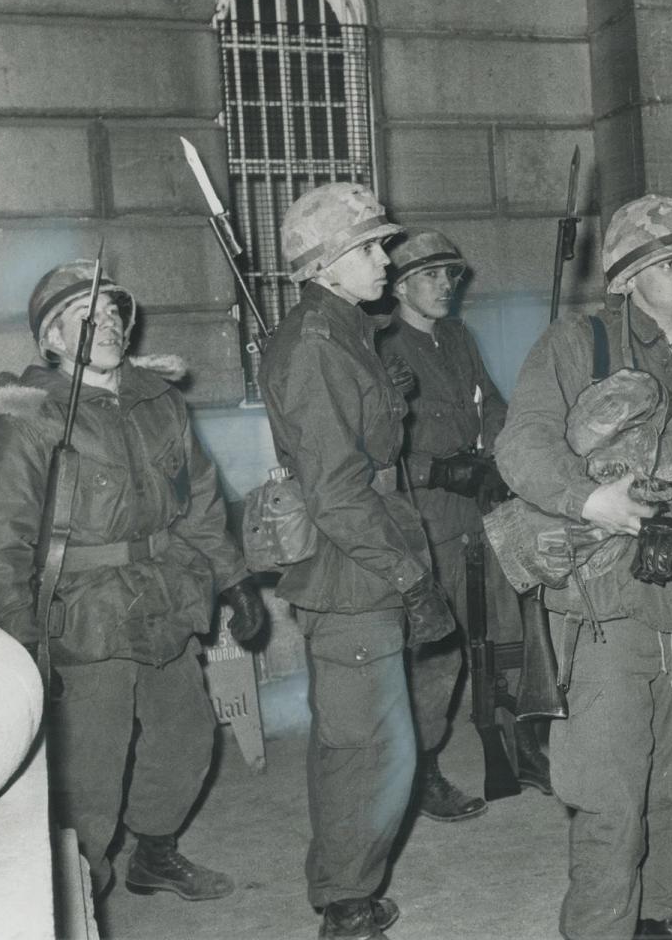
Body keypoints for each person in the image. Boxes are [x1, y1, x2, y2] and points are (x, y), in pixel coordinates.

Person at [495, 194, 672, 940]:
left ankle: (667, 915)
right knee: (609, 794)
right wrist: (591, 501)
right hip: (606, 608)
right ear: (624, 278)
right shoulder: (576, 345)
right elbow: (521, 446)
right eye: (664, 261)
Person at [0, 260, 268, 901]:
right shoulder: (30, 417)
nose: (106, 325)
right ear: (51, 339)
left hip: (164, 595)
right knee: (90, 772)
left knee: (186, 738)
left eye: (111, 314)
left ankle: (155, 851)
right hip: (84, 611)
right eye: (84, 317)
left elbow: (200, 499)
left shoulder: (159, 404)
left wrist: (233, 579)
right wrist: (20, 637)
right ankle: (79, 896)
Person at [258, 182, 456, 940]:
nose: (386, 256)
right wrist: (410, 579)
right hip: (355, 570)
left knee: (368, 741)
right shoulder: (316, 344)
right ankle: (345, 903)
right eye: (371, 247)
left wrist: (388, 397)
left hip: (370, 550)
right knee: (368, 751)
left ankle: (346, 884)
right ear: (328, 264)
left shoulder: (342, 332)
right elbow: (338, 494)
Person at [379, 229, 552, 821]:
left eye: (451, 275)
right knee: (437, 651)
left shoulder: (457, 337)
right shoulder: (380, 348)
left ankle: (517, 747)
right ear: (399, 285)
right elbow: (370, 451)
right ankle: (421, 770)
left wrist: (502, 454)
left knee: (509, 637)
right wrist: (434, 470)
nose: (446, 285)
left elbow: (494, 404)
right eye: (431, 276)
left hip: (483, 513)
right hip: (425, 522)